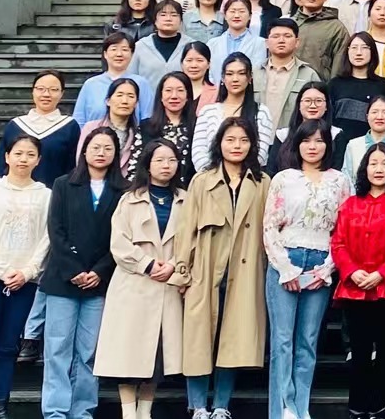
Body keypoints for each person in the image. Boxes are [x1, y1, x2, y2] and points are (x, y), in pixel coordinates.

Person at [177, 117, 269, 419]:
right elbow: (186, 229)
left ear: (252, 145)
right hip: (205, 269)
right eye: (230, 140)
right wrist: (183, 272)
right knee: (198, 339)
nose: (237, 146)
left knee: (234, 339)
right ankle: (198, 406)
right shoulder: (202, 181)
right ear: (219, 143)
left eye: (243, 140)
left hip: (245, 271)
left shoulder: (262, 183)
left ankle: (221, 406)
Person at [262, 121, 350, 419]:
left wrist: (327, 269)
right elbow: (269, 226)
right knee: (282, 340)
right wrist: (285, 269)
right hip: (286, 256)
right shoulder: (284, 178)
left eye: (319, 141)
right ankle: (282, 409)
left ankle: (301, 407)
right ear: (297, 144)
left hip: (321, 260)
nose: (313, 146)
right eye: (307, 141)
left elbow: (343, 230)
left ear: (328, 145)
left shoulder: (340, 181)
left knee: (308, 341)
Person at [95, 140, 186, 419]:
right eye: (159, 160)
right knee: (128, 352)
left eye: (171, 160)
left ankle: (145, 411)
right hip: (133, 284)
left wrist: (173, 265)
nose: (166, 166)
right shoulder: (130, 199)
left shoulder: (186, 199)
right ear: (147, 164)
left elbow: (193, 241)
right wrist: (147, 264)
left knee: (156, 355)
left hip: (168, 284)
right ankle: (128, 413)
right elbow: (119, 242)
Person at [41, 127, 126, 419]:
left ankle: (82, 410)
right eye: (96, 147)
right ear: (84, 150)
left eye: (108, 148)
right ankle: (55, 411)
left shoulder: (123, 191)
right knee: (57, 349)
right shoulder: (63, 184)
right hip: (63, 279)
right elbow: (56, 229)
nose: (101, 153)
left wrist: (100, 270)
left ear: (116, 154)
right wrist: (74, 269)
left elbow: (123, 238)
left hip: (100, 281)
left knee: (89, 351)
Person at [0, 134, 50, 419]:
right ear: (7, 156)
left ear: (38, 160)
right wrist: (3, 271)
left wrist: (27, 272)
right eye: (18, 153)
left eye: (30, 154)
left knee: (7, 348)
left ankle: (1, 407)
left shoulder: (46, 195)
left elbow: (47, 239)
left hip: (25, 281)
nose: (23, 159)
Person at [331, 142, 385, 419]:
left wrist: (381, 274)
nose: (379, 169)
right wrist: (352, 271)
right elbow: (338, 243)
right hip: (354, 289)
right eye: (373, 163)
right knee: (360, 349)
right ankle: (358, 404)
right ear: (364, 169)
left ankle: (382, 403)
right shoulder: (350, 205)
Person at [192, 54, 278, 172]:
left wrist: (236, 175)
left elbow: (261, 154)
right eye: (229, 74)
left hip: (248, 178)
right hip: (210, 177)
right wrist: (215, 175)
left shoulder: (261, 112)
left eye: (241, 73)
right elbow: (198, 152)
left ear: (250, 78)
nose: (235, 79)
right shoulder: (207, 112)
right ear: (223, 78)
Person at [0, 70, 80, 184]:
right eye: (40, 89)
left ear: (62, 93)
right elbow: (0, 167)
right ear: (33, 91)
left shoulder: (70, 126)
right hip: (15, 192)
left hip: (54, 193)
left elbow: (72, 168)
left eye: (54, 89)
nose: (46, 94)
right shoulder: (15, 125)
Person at [75, 33, 155, 127]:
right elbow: (79, 120)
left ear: (132, 54)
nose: (119, 54)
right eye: (114, 49)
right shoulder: (91, 84)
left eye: (125, 50)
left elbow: (148, 118)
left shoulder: (141, 83)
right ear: (105, 54)